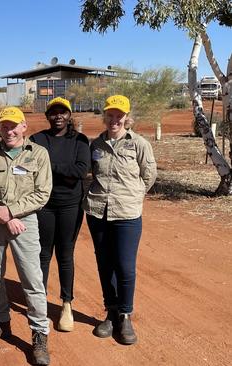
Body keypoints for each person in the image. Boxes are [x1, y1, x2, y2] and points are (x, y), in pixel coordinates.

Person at [0, 107, 52, 365]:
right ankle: (0, 322)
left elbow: (42, 193)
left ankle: (39, 334)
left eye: (13, 126)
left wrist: (12, 212)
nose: (8, 131)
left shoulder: (38, 155)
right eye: (4, 126)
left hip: (25, 221)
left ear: (23, 127)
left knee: (31, 278)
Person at [84, 95, 157, 345]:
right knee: (105, 264)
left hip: (127, 214)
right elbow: (91, 176)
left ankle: (125, 315)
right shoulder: (96, 145)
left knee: (125, 266)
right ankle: (111, 311)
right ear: (105, 117)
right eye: (110, 115)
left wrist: (133, 197)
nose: (114, 120)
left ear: (127, 118)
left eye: (119, 116)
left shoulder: (139, 144)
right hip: (97, 212)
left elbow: (149, 176)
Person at [30, 97, 90, 332]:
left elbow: (80, 171)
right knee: (43, 254)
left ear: (69, 115)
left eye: (62, 112)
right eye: (53, 112)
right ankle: (40, 304)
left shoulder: (80, 140)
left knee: (65, 255)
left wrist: (49, 167)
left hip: (70, 206)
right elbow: (29, 169)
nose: (58, 116)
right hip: (43, 205)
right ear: (47, 116)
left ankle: (66, 304)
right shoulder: (37, 139)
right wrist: (61, 171)